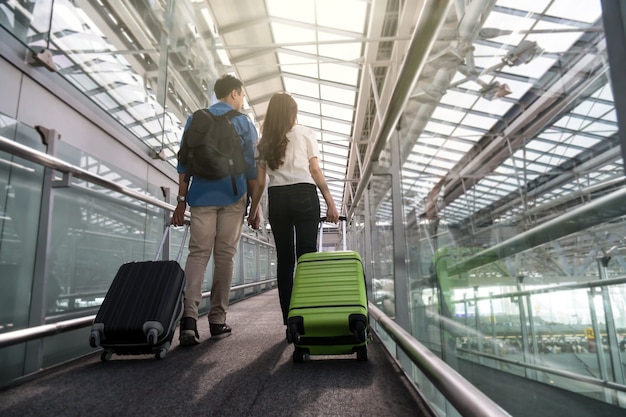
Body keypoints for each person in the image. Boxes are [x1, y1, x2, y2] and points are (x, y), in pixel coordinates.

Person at [172, 74, 258, 345]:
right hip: (233, 195)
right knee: (225, 256)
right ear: (234, 93)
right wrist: (255, 205)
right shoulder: (243, 122)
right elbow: (252, 167)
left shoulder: (195, 118)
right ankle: (217, 320)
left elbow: (183, 163)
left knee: (198, 254)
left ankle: (188, 319)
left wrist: (181, 200)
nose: (242, 100)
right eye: (241, 95)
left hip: (200, 196)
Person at [247, 92, 339, 325]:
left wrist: (253, 209)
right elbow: (315, 170)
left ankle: (290, 319)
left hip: (278, 198)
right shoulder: (305, 133)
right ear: (292, 112)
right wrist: (330, 201)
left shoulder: (262, 143)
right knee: (307, 255)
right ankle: (307, 312)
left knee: (285, 259)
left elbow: (259, 183)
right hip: (305, 194)